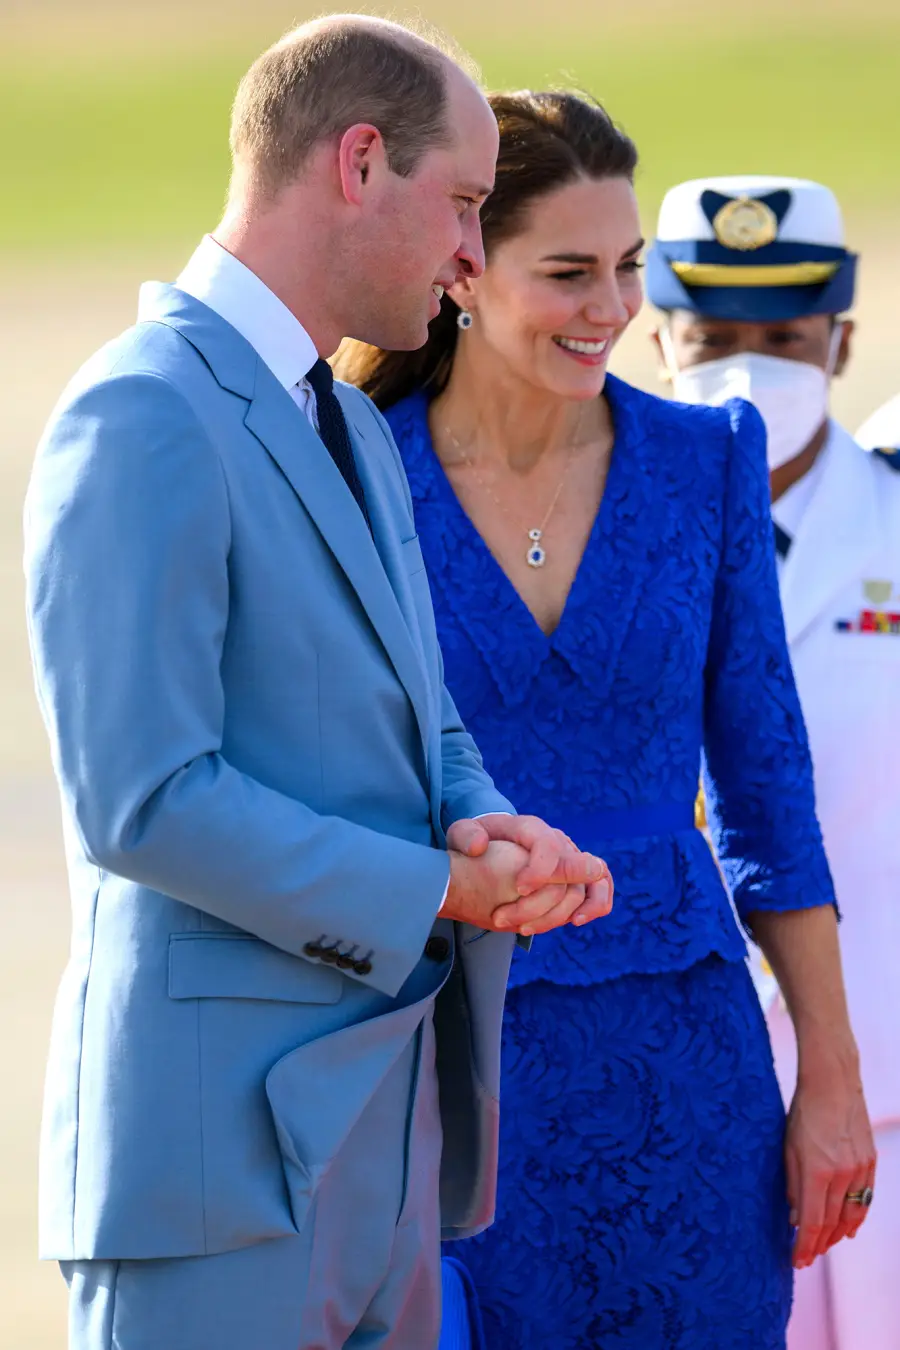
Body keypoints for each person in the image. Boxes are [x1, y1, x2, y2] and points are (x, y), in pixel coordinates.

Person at [23, 24, 614, 1350]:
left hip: (380, 1153)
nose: (474, 254)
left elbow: (420, 714)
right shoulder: (140, 411)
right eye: (463, 203)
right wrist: (436, 891)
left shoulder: (344, 416)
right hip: (214, 1178)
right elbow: (144, 799)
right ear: (359, 163)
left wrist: (485, 823)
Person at [337, 94, 874, 1350]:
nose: (615, 308)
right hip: (435, 1061)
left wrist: (831, 1078)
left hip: (689, 1063)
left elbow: (768, 800)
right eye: (570, 272)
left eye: (628, 268)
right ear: (465, 270)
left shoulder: (708, 461)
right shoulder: (354, 473)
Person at [648, 174, 899, 1350]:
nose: (750, 370)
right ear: (657, 338)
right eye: (714, 339)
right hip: (681, 1093)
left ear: (842, 340)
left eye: (786, 338)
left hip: (891, 1091)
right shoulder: (596, 530)